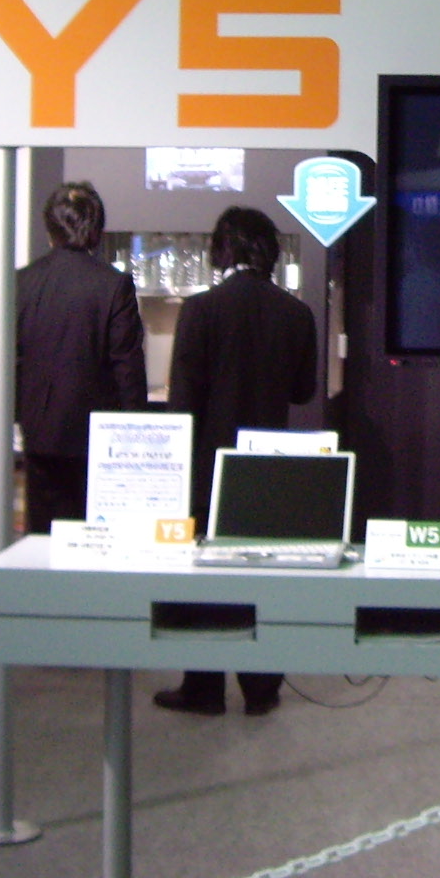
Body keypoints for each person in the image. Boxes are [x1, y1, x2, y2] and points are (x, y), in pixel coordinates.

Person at [154, 206, 317, 718]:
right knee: (263, 578)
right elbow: (303, 390)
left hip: (210, 466)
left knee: (205, 579)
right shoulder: (296, 314)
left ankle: (204, 688)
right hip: (269, 469)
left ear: (221, 249)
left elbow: (182, 405)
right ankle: (261, 688)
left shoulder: (200, 310)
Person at [15, 183, 147, 534]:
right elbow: (127, 367)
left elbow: (13, 359)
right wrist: (136, 429)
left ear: (49, 228)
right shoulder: (114, 284)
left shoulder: (23, 281)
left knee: (42, 534)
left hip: (39, 429)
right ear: (96, 230)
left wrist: (19, 417)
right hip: (98, 435)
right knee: (95, 535)